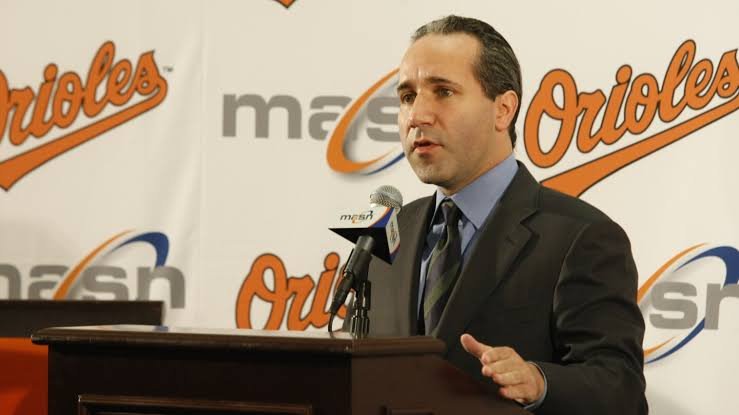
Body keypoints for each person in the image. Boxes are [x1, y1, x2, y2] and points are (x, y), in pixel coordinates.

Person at [357, 15, 647, 414]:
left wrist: (540, 383)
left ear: (503, 110)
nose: (417, 115)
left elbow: (621, 390)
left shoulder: (581, 236)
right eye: (407, 97)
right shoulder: (387, 231)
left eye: (443, 92)